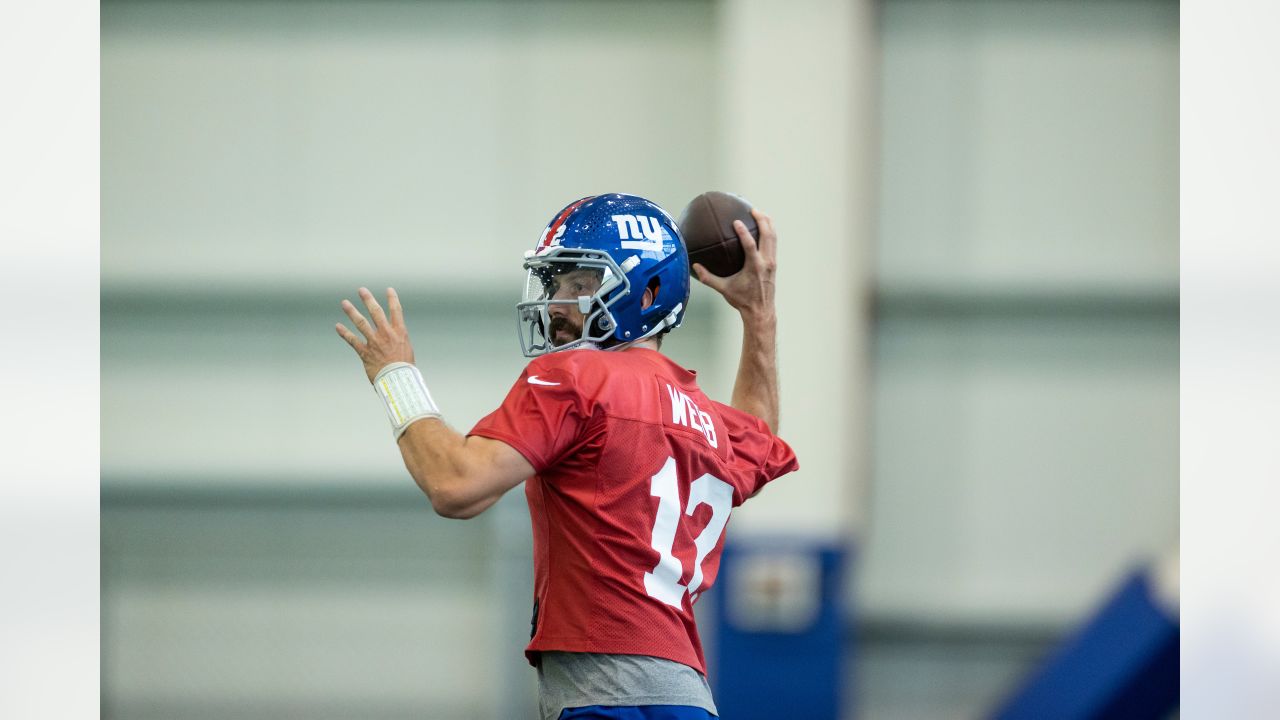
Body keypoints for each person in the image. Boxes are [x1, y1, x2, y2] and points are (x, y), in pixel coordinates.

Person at [336, 193, 798, 720]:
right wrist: (759, 314)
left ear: (647, 292)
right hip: (688, 699)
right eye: (557, 285)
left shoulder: (578, 376)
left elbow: (454, 484)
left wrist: (395, 375)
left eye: (582, 284)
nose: (558, 304)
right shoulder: (707, 420)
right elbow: (758, 434)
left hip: (602, 697)